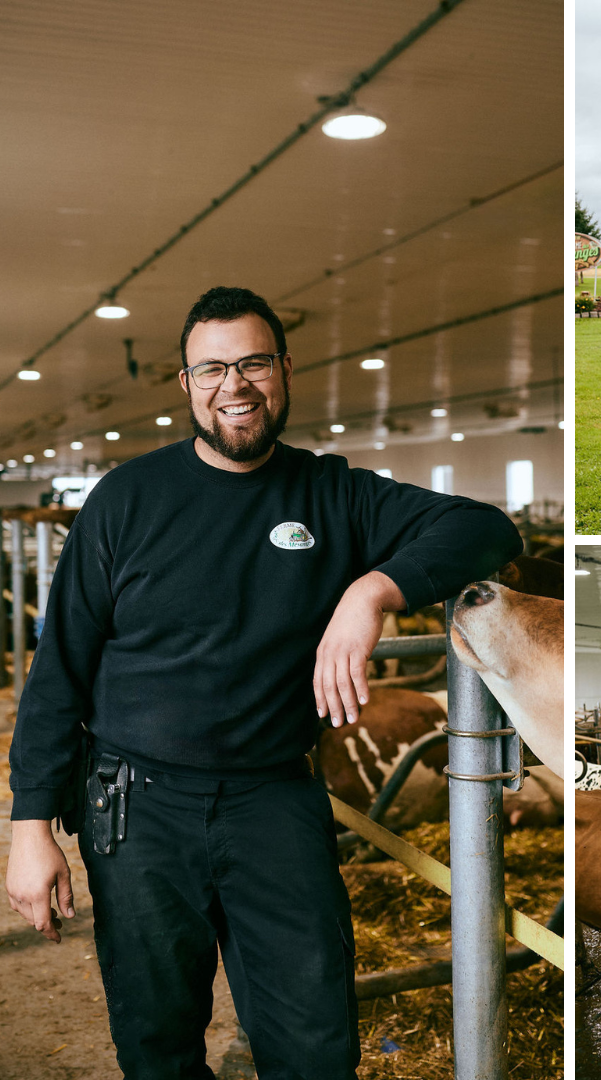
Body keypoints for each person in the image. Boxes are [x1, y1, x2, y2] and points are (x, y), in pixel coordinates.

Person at [5, 286, 523, 1079]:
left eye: (252, 362)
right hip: (137, 807)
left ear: (284, 368)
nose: (234, 385)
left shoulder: (333, 494)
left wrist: (372, 589)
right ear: (185, 383)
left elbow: (486, 528)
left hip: (273, 802)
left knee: (315, 1047)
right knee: (156, 1043)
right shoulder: (125, 501)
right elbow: (59, 669)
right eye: (211, 368)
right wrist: (30, 827)